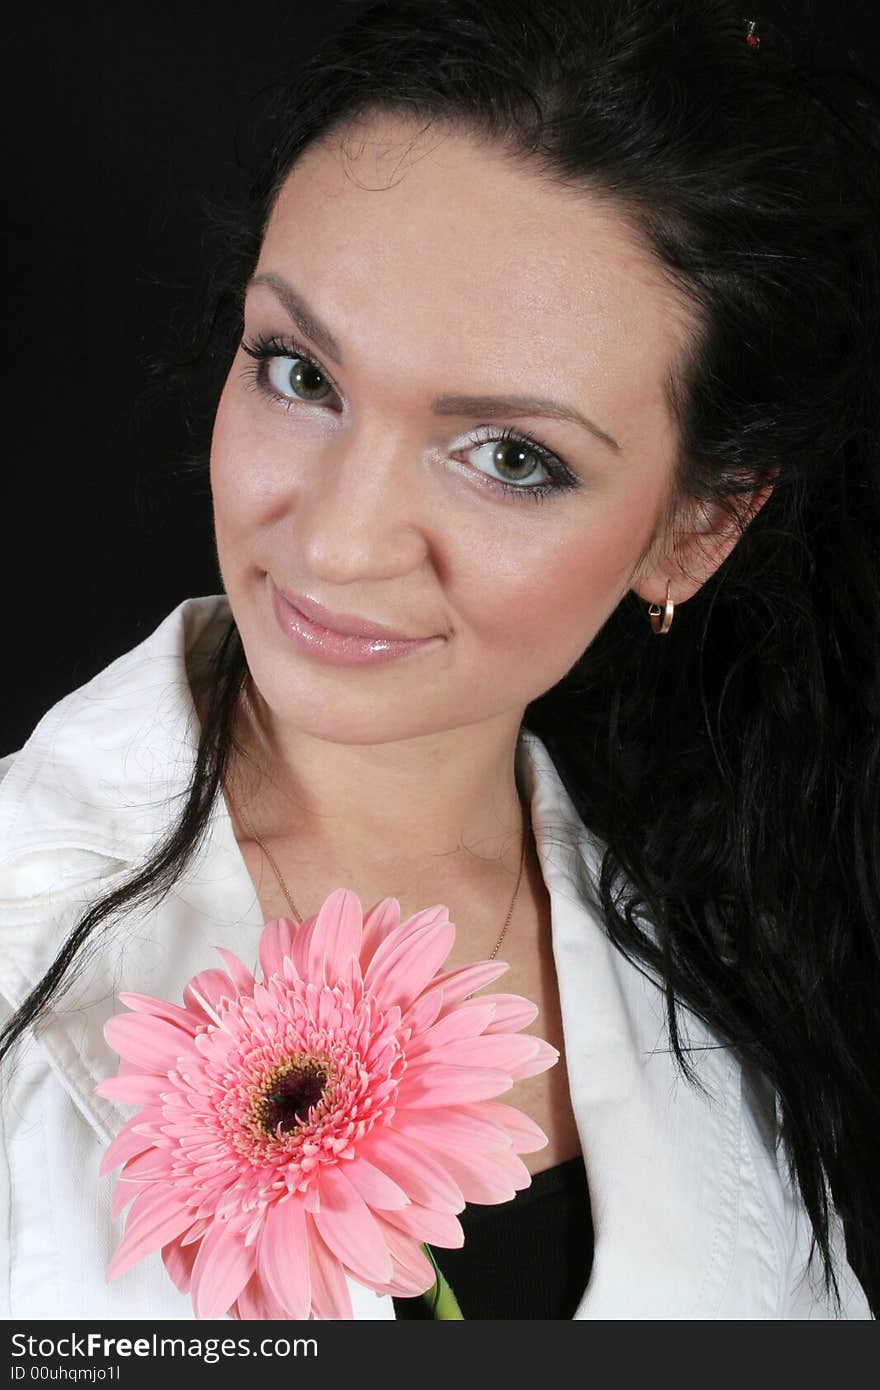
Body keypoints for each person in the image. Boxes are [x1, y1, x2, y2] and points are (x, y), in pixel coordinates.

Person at [0, 0, 877, 1320]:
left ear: (694, 533)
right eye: (300, 373)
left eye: (513, 458)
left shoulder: (749, 944)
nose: (341, 545)